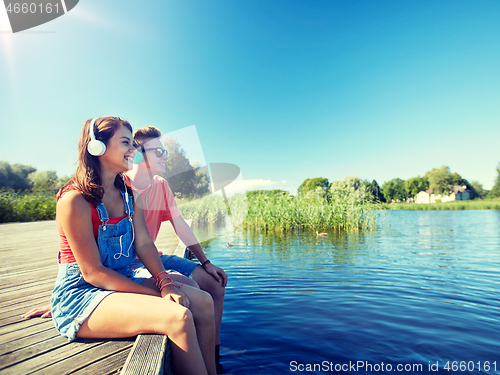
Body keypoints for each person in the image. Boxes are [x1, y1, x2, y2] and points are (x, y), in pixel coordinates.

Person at [23, 124, 229, 373]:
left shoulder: (130, 194)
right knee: (180, 316)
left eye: (133, 143)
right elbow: (93, 273)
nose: (133, 149)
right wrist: (160, 293)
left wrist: (165, 283)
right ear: (96, 147)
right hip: (83, 292)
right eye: (125, 142)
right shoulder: (74, 200)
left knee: (203, 301)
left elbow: (143, 243)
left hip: (122, 277)